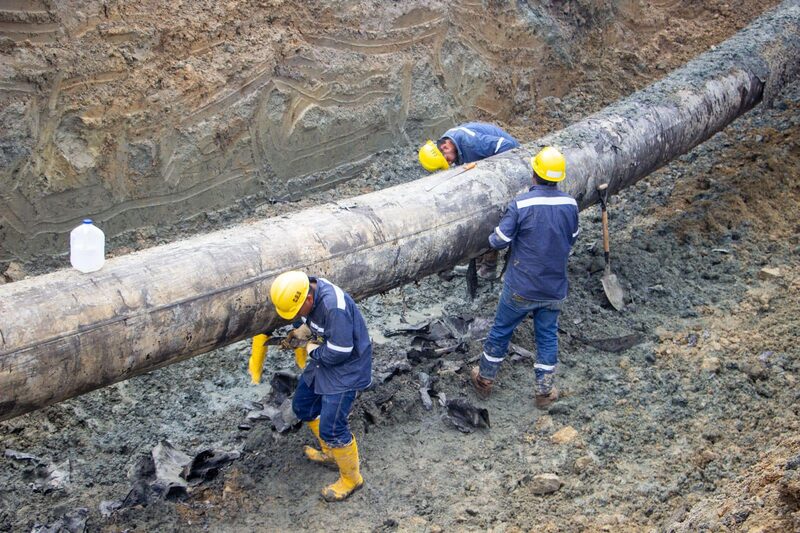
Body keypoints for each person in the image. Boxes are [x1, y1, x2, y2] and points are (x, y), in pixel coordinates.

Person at [470, 146, 579, 408]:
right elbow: (572, 238)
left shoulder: (521, 204)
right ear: (558, 177)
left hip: (521, 286)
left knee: (501, 330)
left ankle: (484, 380)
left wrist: (490, 234)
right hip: (554, 287)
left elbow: (500, 240)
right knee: (547, 336)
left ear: (534, 174)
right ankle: (543, 392)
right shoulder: (570, 204)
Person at [269, 271, 372, 502]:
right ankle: (331, 453)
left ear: (307, 300)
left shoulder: (334, 307)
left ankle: (351, 478)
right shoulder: (306, 293)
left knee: (333, 428)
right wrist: (303, 331)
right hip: (325, 359)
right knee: (303, 406)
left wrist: (311, 349)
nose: (294, 316)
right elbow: (312, 323)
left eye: (296, 313)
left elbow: (341, 351)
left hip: (347, 367)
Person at [418, 122, 521, 279]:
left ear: (445, 147)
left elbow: (507, 146)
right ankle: (482, 263)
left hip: (512, 164)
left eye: (447, 160)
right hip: (486, 169)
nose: (450, 163)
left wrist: (488, 172)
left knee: (491, 215)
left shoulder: (470, 143)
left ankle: (488, 267)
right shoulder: (451, 141)